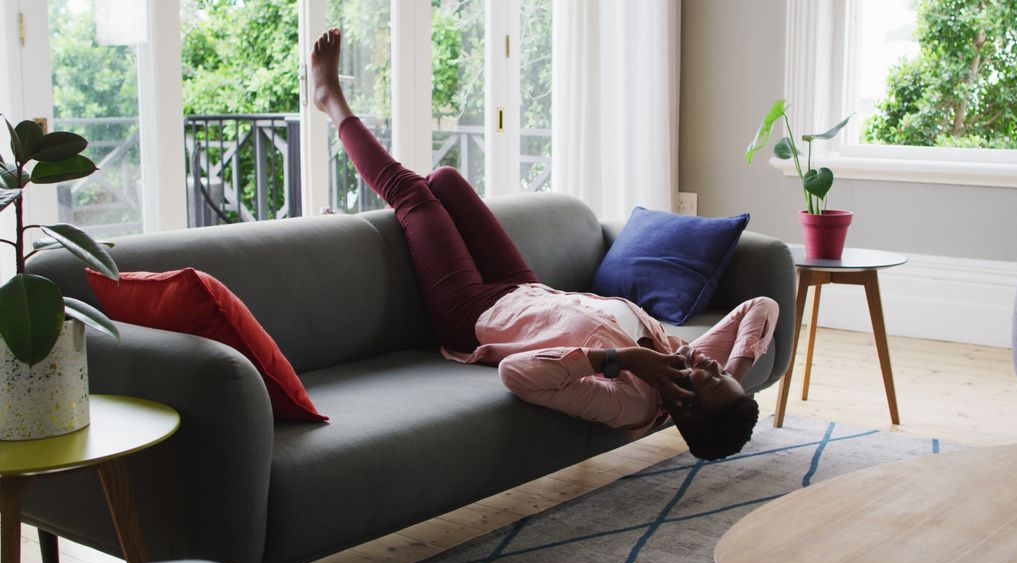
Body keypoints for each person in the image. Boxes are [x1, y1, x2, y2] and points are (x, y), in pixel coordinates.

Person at [310, 28, 778, 459]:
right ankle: (373, 224)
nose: (708, 364)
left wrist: (622, 358)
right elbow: (760, 307)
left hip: (474, 315)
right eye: (719, 372)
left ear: (687, 407)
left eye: (710, 378)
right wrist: (732, 375)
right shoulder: (680, 358)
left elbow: (519, 375)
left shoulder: (630, 404)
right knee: (446, 180)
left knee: (413, 193)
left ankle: (331, 101)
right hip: (524, 290)